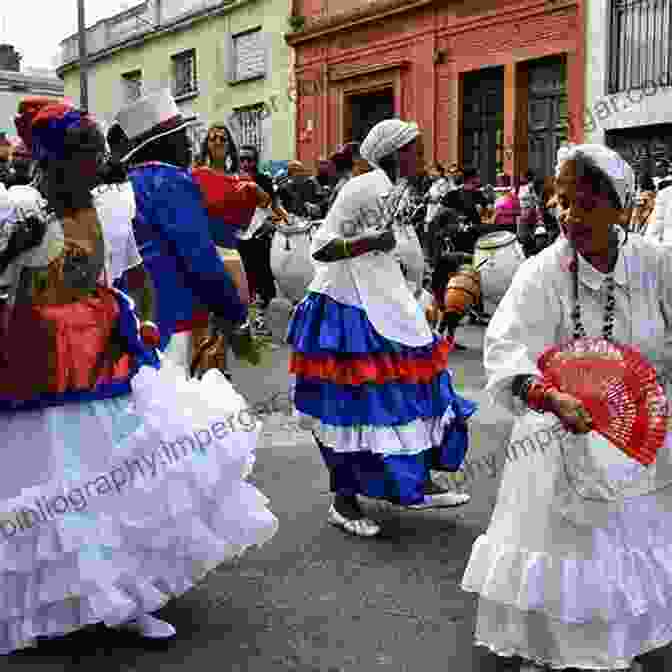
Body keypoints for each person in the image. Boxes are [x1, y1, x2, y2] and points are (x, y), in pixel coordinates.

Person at [0, 98, 277, 653]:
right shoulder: (23, 209)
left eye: (99, 153)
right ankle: (42, 602)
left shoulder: (108, 206)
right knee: (52, 476)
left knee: (120, 474)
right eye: (87, 155)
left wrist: (144, 318)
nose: (100, 164)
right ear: (57, 161)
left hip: (108, 348)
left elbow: (128, 273)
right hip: (42, 358)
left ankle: (124, 599)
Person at [461, 143, 672, 672]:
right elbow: (506, 349)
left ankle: (618, 647)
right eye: (561, 201)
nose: (568, 216)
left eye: (584, 204)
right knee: (566, 556)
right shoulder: (540, 273)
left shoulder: (656, 268)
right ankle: (560, 652)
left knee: (627, 550)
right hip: (556, 442)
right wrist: (550, 396)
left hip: (638, 443)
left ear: (620, 210)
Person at [286, 119, 476, 538]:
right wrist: (369, 244)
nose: (425, 154)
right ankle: (344, 500)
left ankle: (419, 479)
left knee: (416, 392)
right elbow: (321, 246)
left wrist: (418, 286)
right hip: (348, 309)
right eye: (417, 147)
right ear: (395, 153)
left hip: (391, 305)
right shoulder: (359, 189)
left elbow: (402, 246)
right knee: (353, 408)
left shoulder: (400, 191)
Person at [114, 89, 247, 377]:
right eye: (182, 137)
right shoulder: (171, 181)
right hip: (171, 315)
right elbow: (199, 258)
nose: (189, 144)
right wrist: (234, 312)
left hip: (134, 312)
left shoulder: (128, 182)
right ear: (163, 144)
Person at [191, 124, 270, 377]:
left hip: (230, 247)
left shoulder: (240, 179)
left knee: (237, 304)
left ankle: (220, 365)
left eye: (223, 138)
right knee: (205, 310)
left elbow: (263, 208)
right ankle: (209, 369)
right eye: (212, 138)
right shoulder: (195, 175)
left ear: (229, 146)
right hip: (203, 247)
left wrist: (257, 196)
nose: (217, 141)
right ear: (206, 145)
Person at [237, 144, 279, 333]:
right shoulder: (232, 179)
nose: (246, 163)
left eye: (249, 159)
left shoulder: (264, 180)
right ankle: (244, 321)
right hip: (238, 238)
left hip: (260, 238)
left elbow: (273, 205)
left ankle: (262, 320)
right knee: (242, 279)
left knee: (263, 277)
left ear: (256, 161)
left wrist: (272, 222)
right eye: (242, 159)